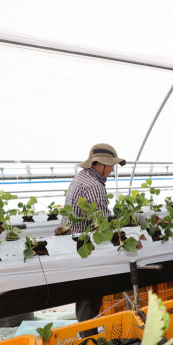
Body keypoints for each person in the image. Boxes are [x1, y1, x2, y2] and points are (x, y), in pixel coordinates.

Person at [60, 143, 125, 334]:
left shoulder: (81, 177)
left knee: (83, 296)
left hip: (76, 243)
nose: (112, 169)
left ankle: (86, 335)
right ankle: (89, 343)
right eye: (111, 165)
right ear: (102, 163)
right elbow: (101, 225)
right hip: (89, 249)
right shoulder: (95, 186)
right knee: (91, 296)